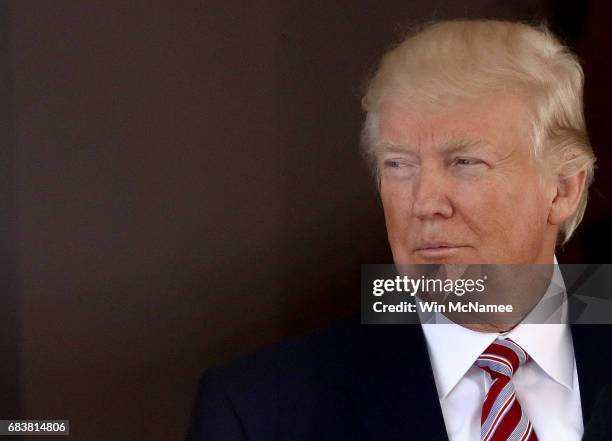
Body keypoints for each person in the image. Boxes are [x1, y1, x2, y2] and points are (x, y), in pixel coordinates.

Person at [187, 20, 612, 440]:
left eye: (465, 162)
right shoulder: (259, 409)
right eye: (399, 165)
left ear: (563, 189)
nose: (425, 203)